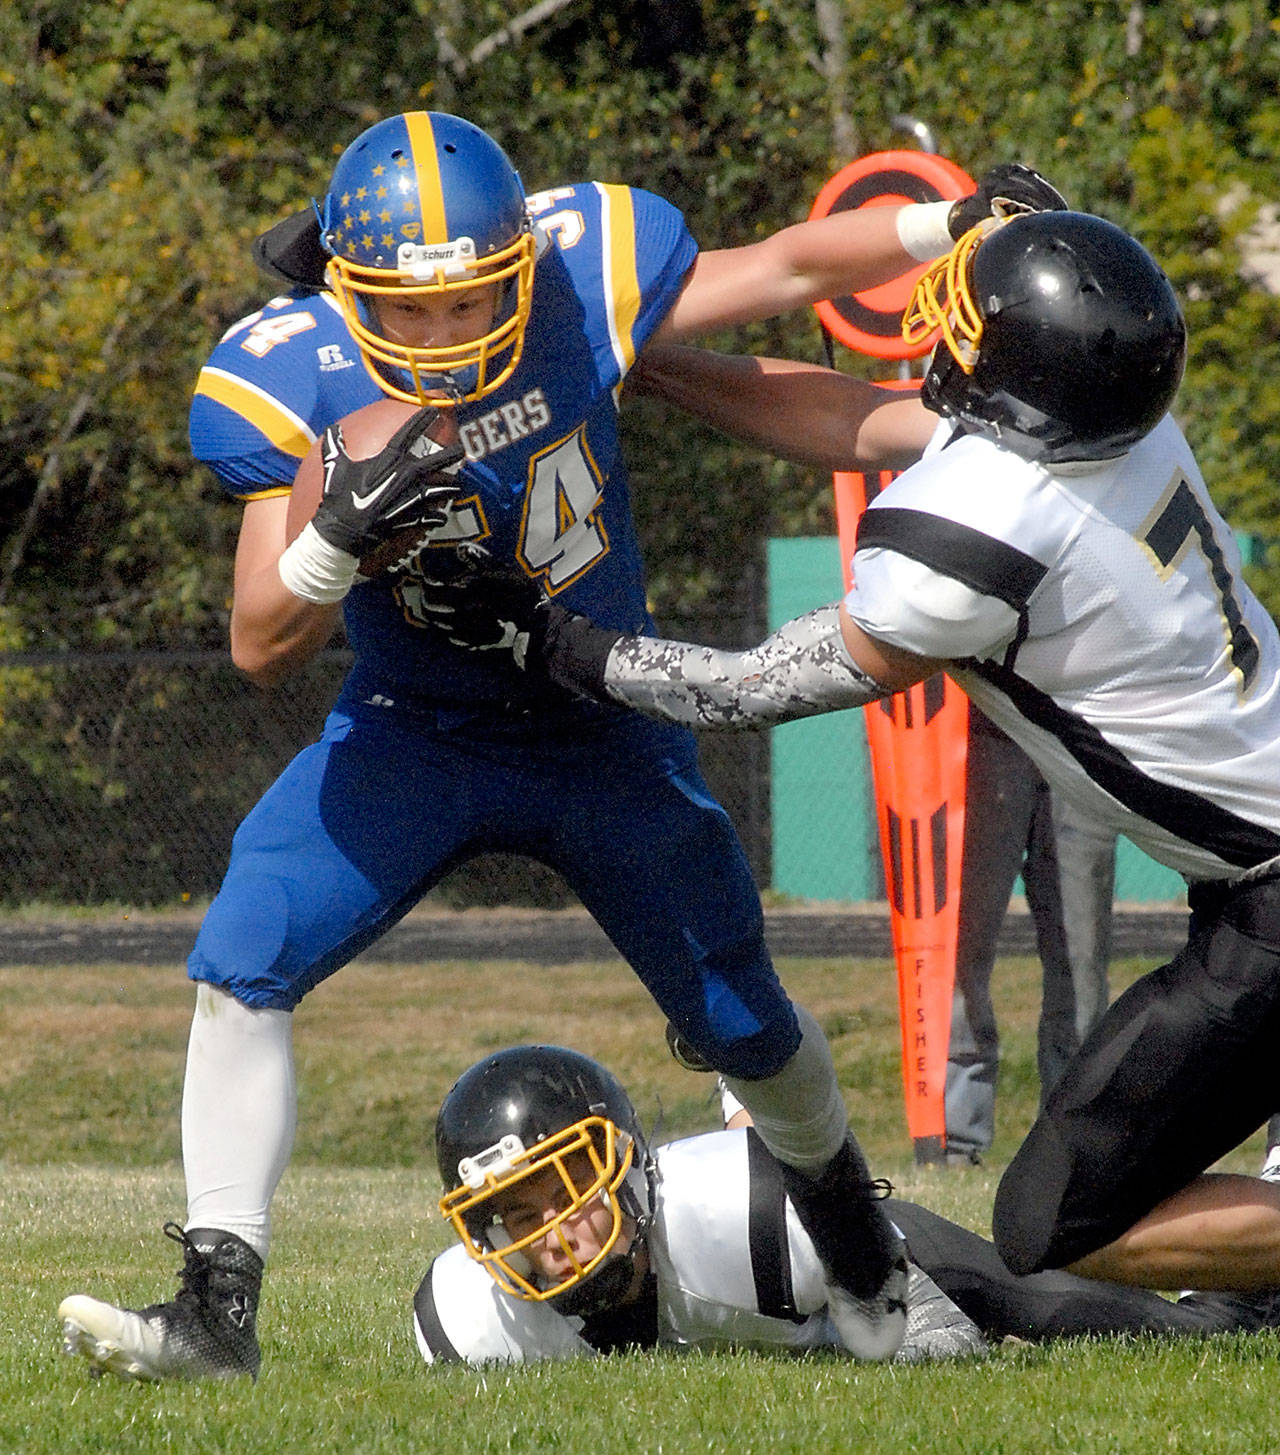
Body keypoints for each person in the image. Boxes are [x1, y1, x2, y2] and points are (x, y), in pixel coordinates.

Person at [54, 109, 1066, 1382]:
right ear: (345, 286)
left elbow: (786, 265)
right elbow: (261, 639)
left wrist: (943, 222)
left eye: (469, 299)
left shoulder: (583, 276)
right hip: (418, 727)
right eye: (407, 309)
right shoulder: (290, 372)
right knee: (242, 952)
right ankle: (215, 1313)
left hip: (602, 723)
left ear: (521, 262)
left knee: (744, 1019)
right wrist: (335, 537)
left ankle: (866, 1270)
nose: (439, 334)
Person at [412, 208, 1280, 1296]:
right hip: (1245, 879)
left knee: (1056, 1222)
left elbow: (745, 687)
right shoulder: (1110, 418)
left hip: (1264, 899)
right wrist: (644, 364)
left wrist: (554, 642)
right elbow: (853, 421)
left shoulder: (980, 530)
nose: (949, 330)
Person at [416, 1044, 1278, 1365]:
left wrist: (913, 1342)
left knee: (1176, 1332)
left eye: (567, 1193)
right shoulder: (475, 1321)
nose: (555, 1235)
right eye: (519, 1218)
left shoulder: (740, 1204)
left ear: (627, 1171)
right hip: (786, 1268)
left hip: (863, 1255)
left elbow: (925, 1327)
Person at [945, 709, 1117, 1166]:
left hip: (1079, 736)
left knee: (1081, 962)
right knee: (958, 953)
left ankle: (1068, 1145)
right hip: (979, 733)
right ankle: (954, 1143)